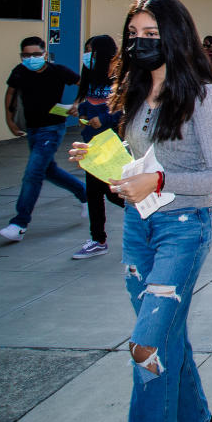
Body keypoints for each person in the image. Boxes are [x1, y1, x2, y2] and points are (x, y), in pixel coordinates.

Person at [69, 0, 212, 422]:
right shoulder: (137, 91)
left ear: (174, 36)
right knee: (169, 336)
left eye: (151, 33)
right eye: (134, 33)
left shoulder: (201, 96)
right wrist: (105, 159)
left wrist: (157, 181)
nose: (140, 41)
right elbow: (141, 159)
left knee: (146, 347)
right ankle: (199, 420)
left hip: (183, 230)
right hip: (138, 229)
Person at [0, 36, 86, 242]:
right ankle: (85, 194)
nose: (31, 58)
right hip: (33, 129)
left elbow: (84, 84)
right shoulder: (19, 72)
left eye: (36, 54)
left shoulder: (58, 71)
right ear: (21, 56)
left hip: (52, 129)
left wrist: (77, 103)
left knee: (33, 173)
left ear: (45, 54)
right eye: (26, 55)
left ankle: (19, 223)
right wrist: (10, 120)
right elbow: (10, 93)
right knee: (48, 170)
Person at [70, 35, 124, 259]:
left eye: (91, 52)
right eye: (86, 51)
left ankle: (151, 218)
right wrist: (81, 111)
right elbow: (88, 102)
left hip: (111, 143)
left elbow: (124, 109)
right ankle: (97, 239)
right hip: (91, 143)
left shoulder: (119, 78)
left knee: (111, 193)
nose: (87, 56)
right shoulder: (90, 78)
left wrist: (105, 119)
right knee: (94, 192)